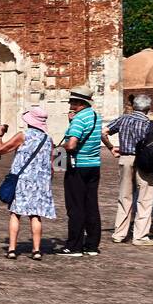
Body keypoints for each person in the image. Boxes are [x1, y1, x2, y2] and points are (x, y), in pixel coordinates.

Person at [0, 106, 55, 260]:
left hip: (22, 181)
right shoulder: (48, 139)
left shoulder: (23, 135)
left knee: (15, 214)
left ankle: (12, 249)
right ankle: (36, 250)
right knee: (35, 216)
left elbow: (1, 150)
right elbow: (52, 165)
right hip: (40, 181)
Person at [104, 94, 153, 247]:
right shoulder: (150, 123)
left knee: (125, 197)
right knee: (145, 199)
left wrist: (111, 148)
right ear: (148, 108)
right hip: (145, 162)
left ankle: (119, 234)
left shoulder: (123, 119)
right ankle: (140, 236)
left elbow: (103, 132)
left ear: (133, 106)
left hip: (125, 159)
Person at [59, 87, 103, 257]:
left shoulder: (78, 119)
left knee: (75, 206)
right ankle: (92, 245)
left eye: (72, 101)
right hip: (94, 164)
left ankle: (74, 246)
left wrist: (58, 148)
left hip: (77, 166)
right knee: (91, 205)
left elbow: (71, 145)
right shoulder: (96, 116)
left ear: (79, 103)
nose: (70, 104)